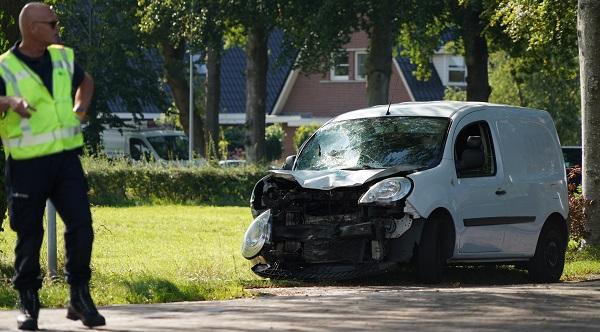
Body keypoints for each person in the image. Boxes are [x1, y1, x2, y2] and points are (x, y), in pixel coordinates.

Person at [0, 2, 105, 330]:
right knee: (29, 234)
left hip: (65, 159)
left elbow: (85, 81)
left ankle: (79, 295)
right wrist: (9, 102)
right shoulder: (4, 67)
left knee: (81, 226)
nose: (58, 28)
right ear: (31, 27)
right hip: (27, 163)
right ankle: (28, 302)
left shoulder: (62, 57)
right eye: (52, 23)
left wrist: (80, 109)